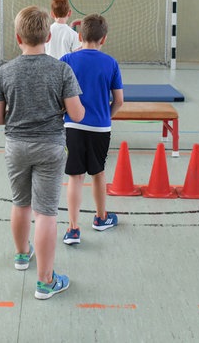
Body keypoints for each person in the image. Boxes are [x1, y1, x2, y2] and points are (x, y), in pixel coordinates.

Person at [0, 6, 84, 300]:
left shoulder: (5, 71)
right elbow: (77, 115)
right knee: (46, 212)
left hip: (16, 146)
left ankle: (21, 255)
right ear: (47, 35)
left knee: (21, 203)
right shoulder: (62, 70)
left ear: (18, 37)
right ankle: (45, 281)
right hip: (50, 147)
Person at [60, 14, 123, 245]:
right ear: (104, 38)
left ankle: (73, 228)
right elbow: (119, 100)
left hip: (72, 127)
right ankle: (100, 217)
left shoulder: (67, 59)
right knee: (98, 173)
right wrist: (107, 116)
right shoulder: (111, 63)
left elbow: (59, 95)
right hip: (100, 129)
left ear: (79, 36)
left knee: (75, 177)